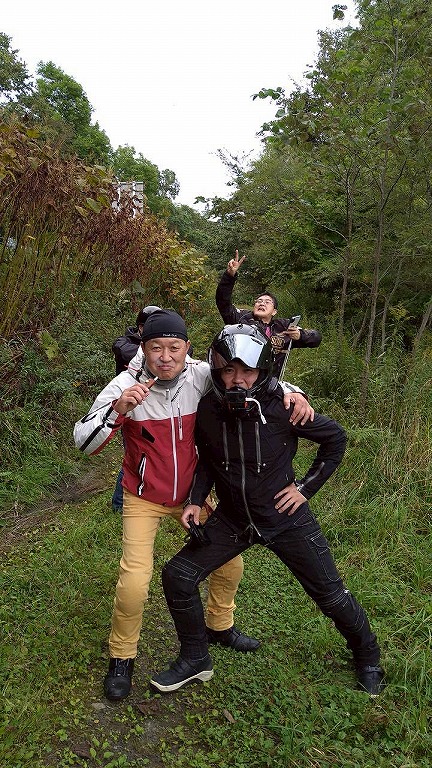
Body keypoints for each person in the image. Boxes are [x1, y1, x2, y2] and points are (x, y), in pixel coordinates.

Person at [74, 310, 313, 702]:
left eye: (174, 347)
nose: (166, 357)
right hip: (143, 497)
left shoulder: (201, 375)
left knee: (230, 564)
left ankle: (219, 625)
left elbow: (253, 378)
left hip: (194, 497)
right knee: (134, 582)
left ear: (187, 348)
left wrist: (294, 392)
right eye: (156, 348)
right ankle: (122, 656)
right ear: (144, 349)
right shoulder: (125, 385)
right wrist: (118, 411)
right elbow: (83, 442)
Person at [150, 324, 385, 697]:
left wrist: (304, 488)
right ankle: (195, 658)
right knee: (178, 576)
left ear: (262, 370)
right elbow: (208, 459)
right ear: (217, 370)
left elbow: (335, 438)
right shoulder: (209, 408)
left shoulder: (282, 406)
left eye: (247, 371)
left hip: (285, 518)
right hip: (233, 518)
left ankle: (368, 657)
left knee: (330, 595)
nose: (238, 379)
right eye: (229, 370)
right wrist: (195, 498)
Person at [216, 251, 321, 377]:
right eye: (259, 301)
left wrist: (300, 336)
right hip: (240, 378)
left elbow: (316, 338)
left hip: (270, 383)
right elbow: (223, 302)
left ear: (274, 311)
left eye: (267, 302)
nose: (262, 303)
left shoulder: (283, 327)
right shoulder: (240, 318)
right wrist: (229, 276)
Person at [111, 305, 161, 512]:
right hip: (128, 408)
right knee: (134, 454)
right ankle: (119, 502)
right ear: (140, 327)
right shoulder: (124, 343)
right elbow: (125, 351)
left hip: (154, 408)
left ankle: (151, 492)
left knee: (152, 451)